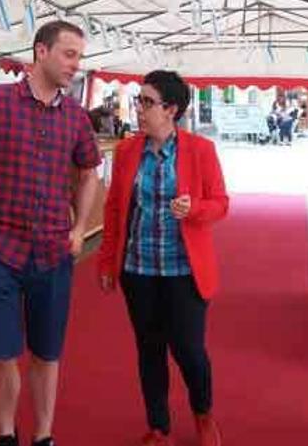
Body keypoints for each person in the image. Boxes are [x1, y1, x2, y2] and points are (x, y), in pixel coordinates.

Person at [0, 20, 102, 446]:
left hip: (53, 251)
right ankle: (6, 435)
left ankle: (43, 437)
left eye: (79, 57)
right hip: (1, 248)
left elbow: (89, 172)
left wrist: (81, 227)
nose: (76, 65)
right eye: (69, 54)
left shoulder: (76, 117)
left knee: (47, 354)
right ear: (41, 52)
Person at [98, 70, 229, 446]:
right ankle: (158, 426)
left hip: (184, 270)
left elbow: (221, 204)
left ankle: (203, 414)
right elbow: (113, 210)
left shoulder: (199, 150)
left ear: (171, 109)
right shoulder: (127, 151)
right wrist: (108, 262)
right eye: (139, 101)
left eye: (148, 102)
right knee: (149, 348)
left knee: (189, 350)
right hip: (138, 270)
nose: (139, 109)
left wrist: (195, 209)